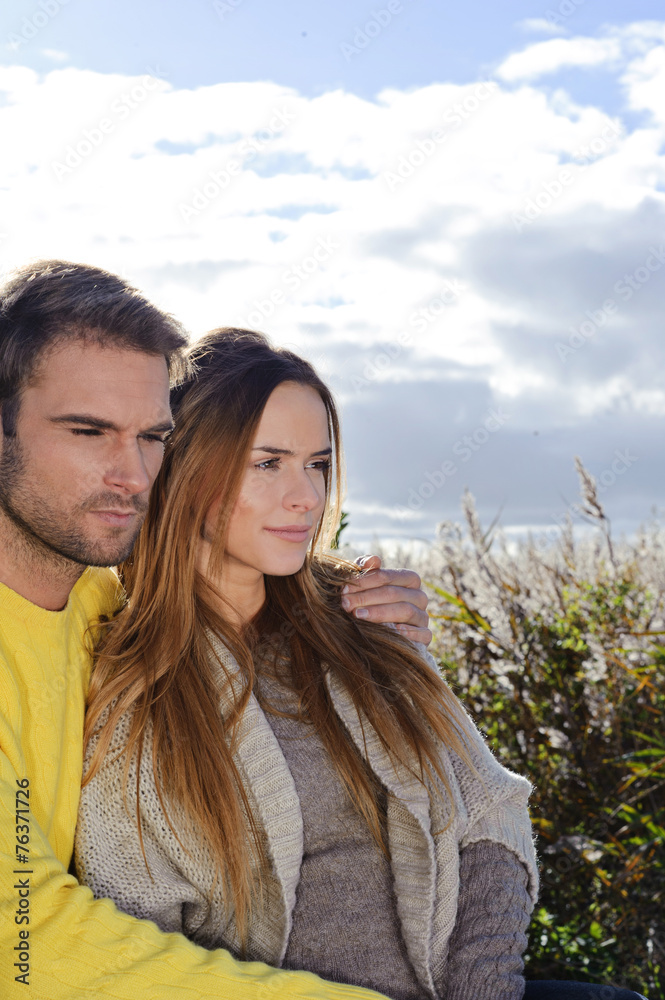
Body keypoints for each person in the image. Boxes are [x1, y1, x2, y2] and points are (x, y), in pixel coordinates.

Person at [0, 259, 432, 999]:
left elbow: (212, 573)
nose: (133, 475)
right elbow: (25, 946)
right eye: (87, 430)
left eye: (150, 437)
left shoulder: (105, 600)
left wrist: (375, 621)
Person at [76, 327, 541, 1000]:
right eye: (267, 464)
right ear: (188, 467)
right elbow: (142, 935)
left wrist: (482, 989)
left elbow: (488, 813)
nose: (305, 497)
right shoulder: (132, 690)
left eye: (317, 464)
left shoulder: (367, 617)